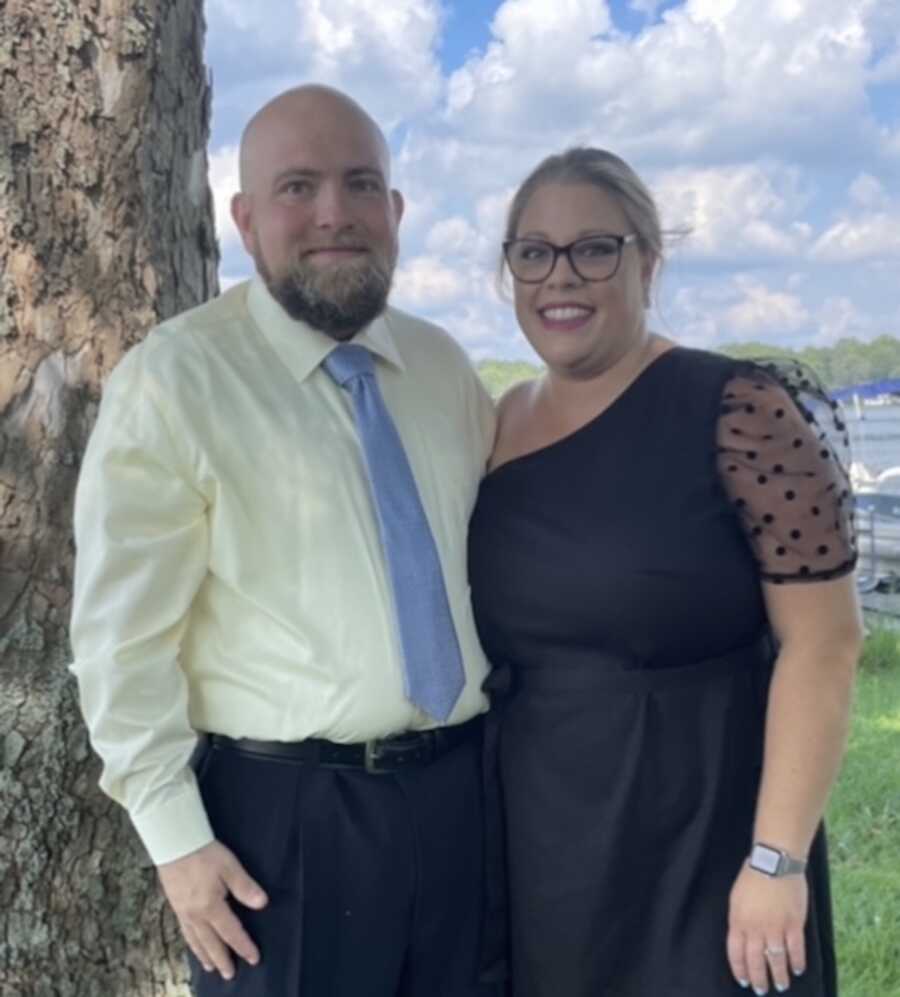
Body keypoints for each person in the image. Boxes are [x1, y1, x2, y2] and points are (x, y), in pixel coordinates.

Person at [70, 84, 497, 997]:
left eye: (360, 184)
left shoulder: (444, 367)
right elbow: (119, 643)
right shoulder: (175, 381)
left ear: (397, 209)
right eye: (297, 187)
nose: (334, 214)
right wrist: (178, 842)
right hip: (285, 829)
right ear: (245, 219)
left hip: (465, 802)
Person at [468, 147, 862, 997]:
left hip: (703, 840)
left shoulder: (740, 409)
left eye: (594, 248)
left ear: (649, 260)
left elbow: (824, 645)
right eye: (532, 252)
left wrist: (776, 858)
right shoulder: (499, 424)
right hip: (546, 843)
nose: (558, 277)